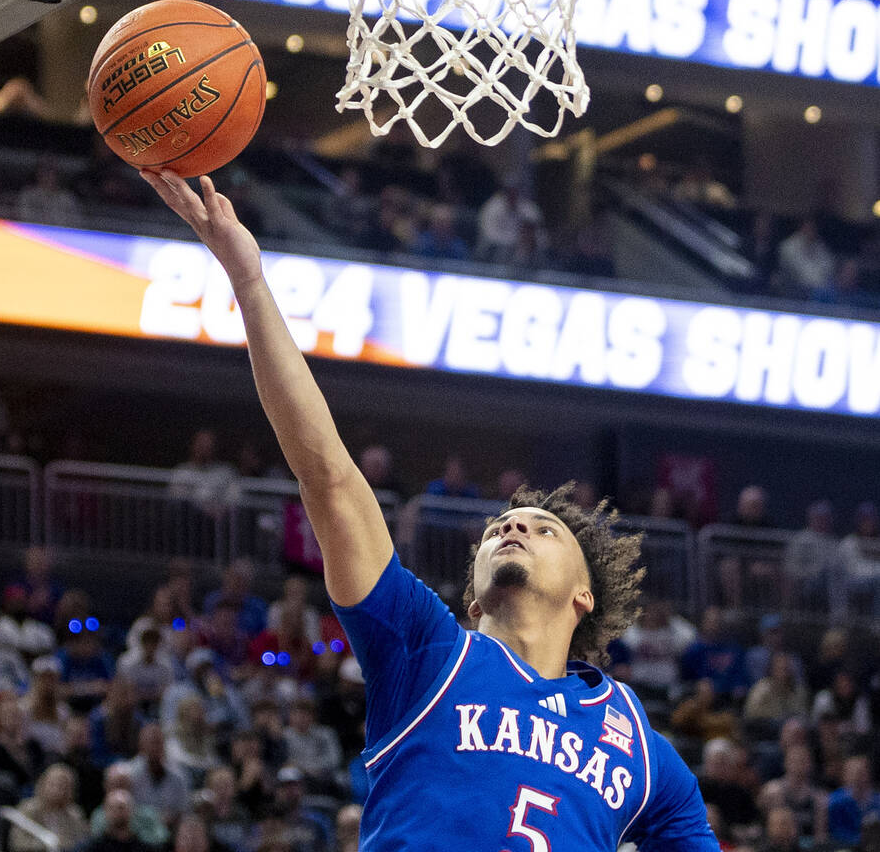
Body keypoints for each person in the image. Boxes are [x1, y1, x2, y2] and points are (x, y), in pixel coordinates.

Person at [141, 170, 719, 849]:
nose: (513, 525)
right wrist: (248, 283)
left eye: (544, 528)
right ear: (471, 599)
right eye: (502, 527)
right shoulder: (428, 650)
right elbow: (326, 473)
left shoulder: (639, 745)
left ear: (584, 595)